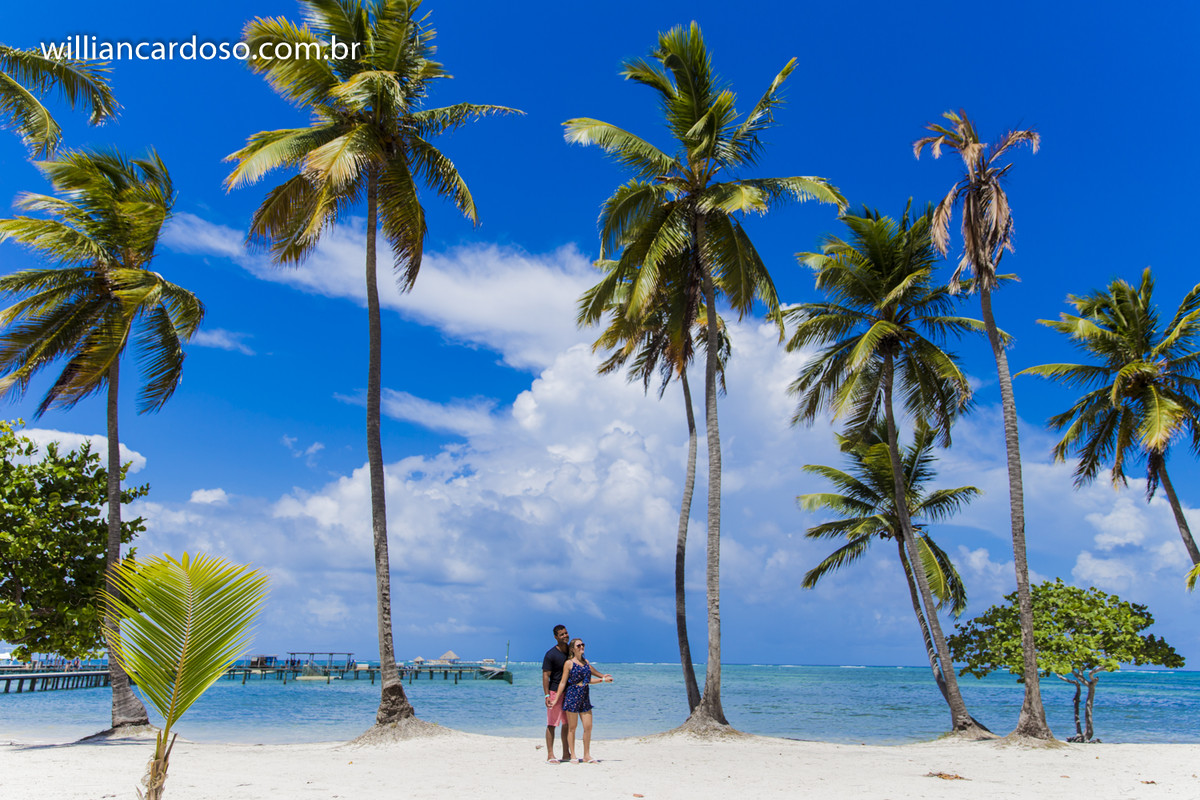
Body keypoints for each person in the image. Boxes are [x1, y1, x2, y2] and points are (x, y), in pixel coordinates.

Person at [554, 638, 613, 764]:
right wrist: (555, 699)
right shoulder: (569, 663)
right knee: (572, 728)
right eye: (578, 645)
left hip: (585, 697)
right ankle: (573, 755)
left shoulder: (586, 662)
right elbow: (563, 682)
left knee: (588, 727)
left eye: (582, 644)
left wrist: (603, 678)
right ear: (572, 649)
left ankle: (586, 755)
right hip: (572, 696)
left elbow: (590, 678)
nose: (581, 647)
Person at [541, 624, 571, 763]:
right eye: (561, 634)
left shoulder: (571, 652)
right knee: (552, 724)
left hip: (569, 692)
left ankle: (566, 753)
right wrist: (547, 695)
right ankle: (550, 754)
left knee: (567, 724)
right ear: (555, 637)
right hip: (554, 692)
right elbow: (546, 676)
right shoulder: (551, 654)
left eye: (566, 633)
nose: (565, 636)